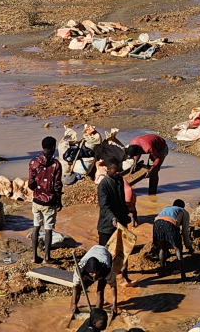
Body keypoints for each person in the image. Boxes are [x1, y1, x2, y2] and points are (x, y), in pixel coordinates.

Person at [28, 136, 63, 264]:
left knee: (36, 227)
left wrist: (38, 188)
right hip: (50, 202)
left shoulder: (33, 162)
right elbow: (57, 185)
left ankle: (34, 257)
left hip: (37, 201)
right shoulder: (56, 165)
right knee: (48, 229)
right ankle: (47, 258)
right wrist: (59, 200)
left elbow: (31, 184)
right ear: (53, 148)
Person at [70, 244, 116, 319]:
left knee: (100, 292)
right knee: (80, 289)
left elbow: (113, 286)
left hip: (104, 254)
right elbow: (75, 287)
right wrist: (74, 304)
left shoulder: (106, 270)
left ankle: (98, 313)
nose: (94, 275)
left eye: (96, 272)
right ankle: (73, 307)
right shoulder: (80, 270)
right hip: (93, 251)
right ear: (87, 272)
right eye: (92, 273)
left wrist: (114, 305)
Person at [153, 199, 193, 276]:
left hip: (157, 224)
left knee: (162, 248)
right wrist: (189, 246)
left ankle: (162, 269)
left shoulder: (166, 208)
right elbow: (185, 231)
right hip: (169, 224)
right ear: (183, 207)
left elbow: (159, 219)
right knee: (178, 249)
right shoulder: (184, 212)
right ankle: (183, 275)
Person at [97, 159, 130, 247]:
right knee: (104, 250)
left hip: (121, 220)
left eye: (120, 170)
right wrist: (112, 218)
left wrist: (126, 213)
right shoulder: (103, 186)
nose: (118, 172)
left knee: (121, 249)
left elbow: (122, 199)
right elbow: (104, 206)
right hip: (107, 224)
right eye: (116, 171)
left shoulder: (120, 179)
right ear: (108, 169)